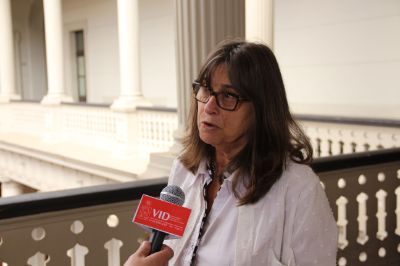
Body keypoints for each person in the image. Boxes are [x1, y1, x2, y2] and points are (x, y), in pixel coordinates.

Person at [164, 40, 338, 266]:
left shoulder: (298, 188)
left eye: (228, 96)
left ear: (261, 108)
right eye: (206, 89)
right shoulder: (183, 169)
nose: (208, 107)